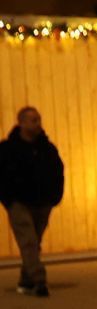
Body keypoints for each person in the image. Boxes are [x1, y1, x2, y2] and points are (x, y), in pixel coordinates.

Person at [2, 105, 64, 297]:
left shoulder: (48, 149)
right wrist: (8, 199)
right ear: (21, 123)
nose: (38, 124)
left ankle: (25, 281)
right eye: (33, 120)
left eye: (39, 119)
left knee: (34, 243)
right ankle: (39, 280)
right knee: (28, 242)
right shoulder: (7, 149)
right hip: (18, 202)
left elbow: (58, 172)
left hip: (43, 202)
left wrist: (55, 197)